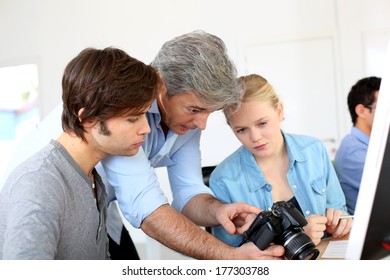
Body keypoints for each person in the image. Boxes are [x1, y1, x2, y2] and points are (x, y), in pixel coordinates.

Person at [2, 31, 284, 260]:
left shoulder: (181, 121)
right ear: (161, 87)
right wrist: (231, 259)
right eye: (195, 109)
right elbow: (146, 207)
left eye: (210, 112)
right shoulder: (115, 116)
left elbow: (187, 191)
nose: (202, 124)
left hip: (98, 204)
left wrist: (217, 210)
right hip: (51, 205)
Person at [0, 47, 160, 259]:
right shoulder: (40, 183)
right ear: (87, 119)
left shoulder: (91, 177)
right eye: (133, 118)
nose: (146, 129)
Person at [209, 74, 352, 248]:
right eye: (241, 130)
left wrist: (340, 221)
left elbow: (340, 210)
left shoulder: (314, 150)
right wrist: (295, 239)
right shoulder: (223, 180)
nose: (255, 137)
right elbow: (229, 255)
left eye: (262, 123)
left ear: (280, 111)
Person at [334, 76, 381, 214]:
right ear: (361, 111)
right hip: (373, 232)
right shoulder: (353, 151)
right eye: (384, 107)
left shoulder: (374, 145)